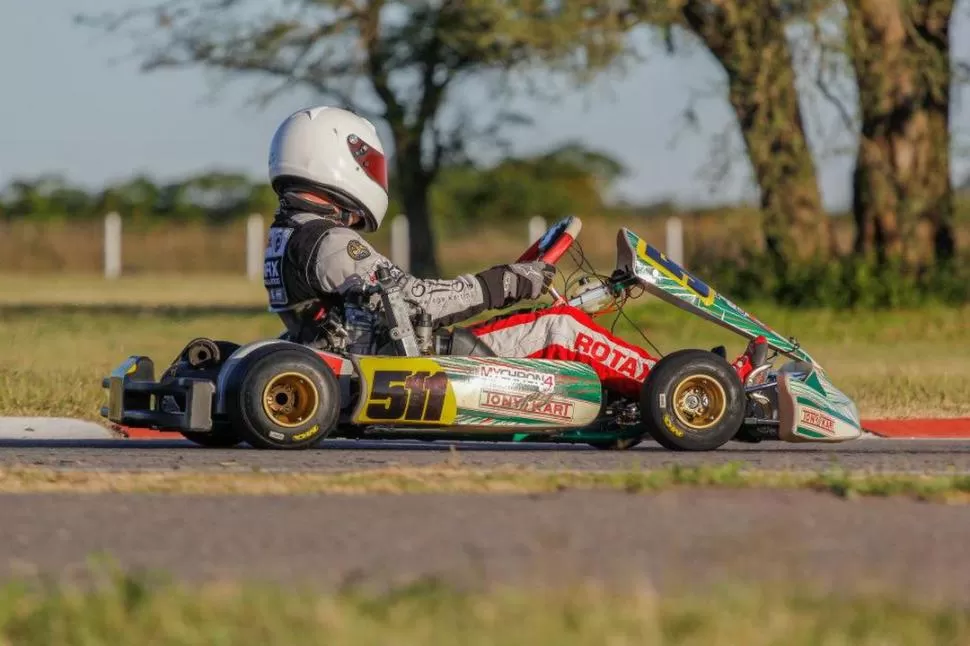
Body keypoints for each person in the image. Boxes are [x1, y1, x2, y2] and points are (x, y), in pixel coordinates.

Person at [263, 105, 762, 401]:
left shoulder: (292, 233)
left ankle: (650, 391)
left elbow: (387, 303)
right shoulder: (329, 242)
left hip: (372, 356)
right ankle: (693, 391)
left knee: (559, 316)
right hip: (402, 366)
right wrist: (504, 282)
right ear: (335, 159)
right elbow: (416, 300)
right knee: (560, 329)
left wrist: (516, 282)